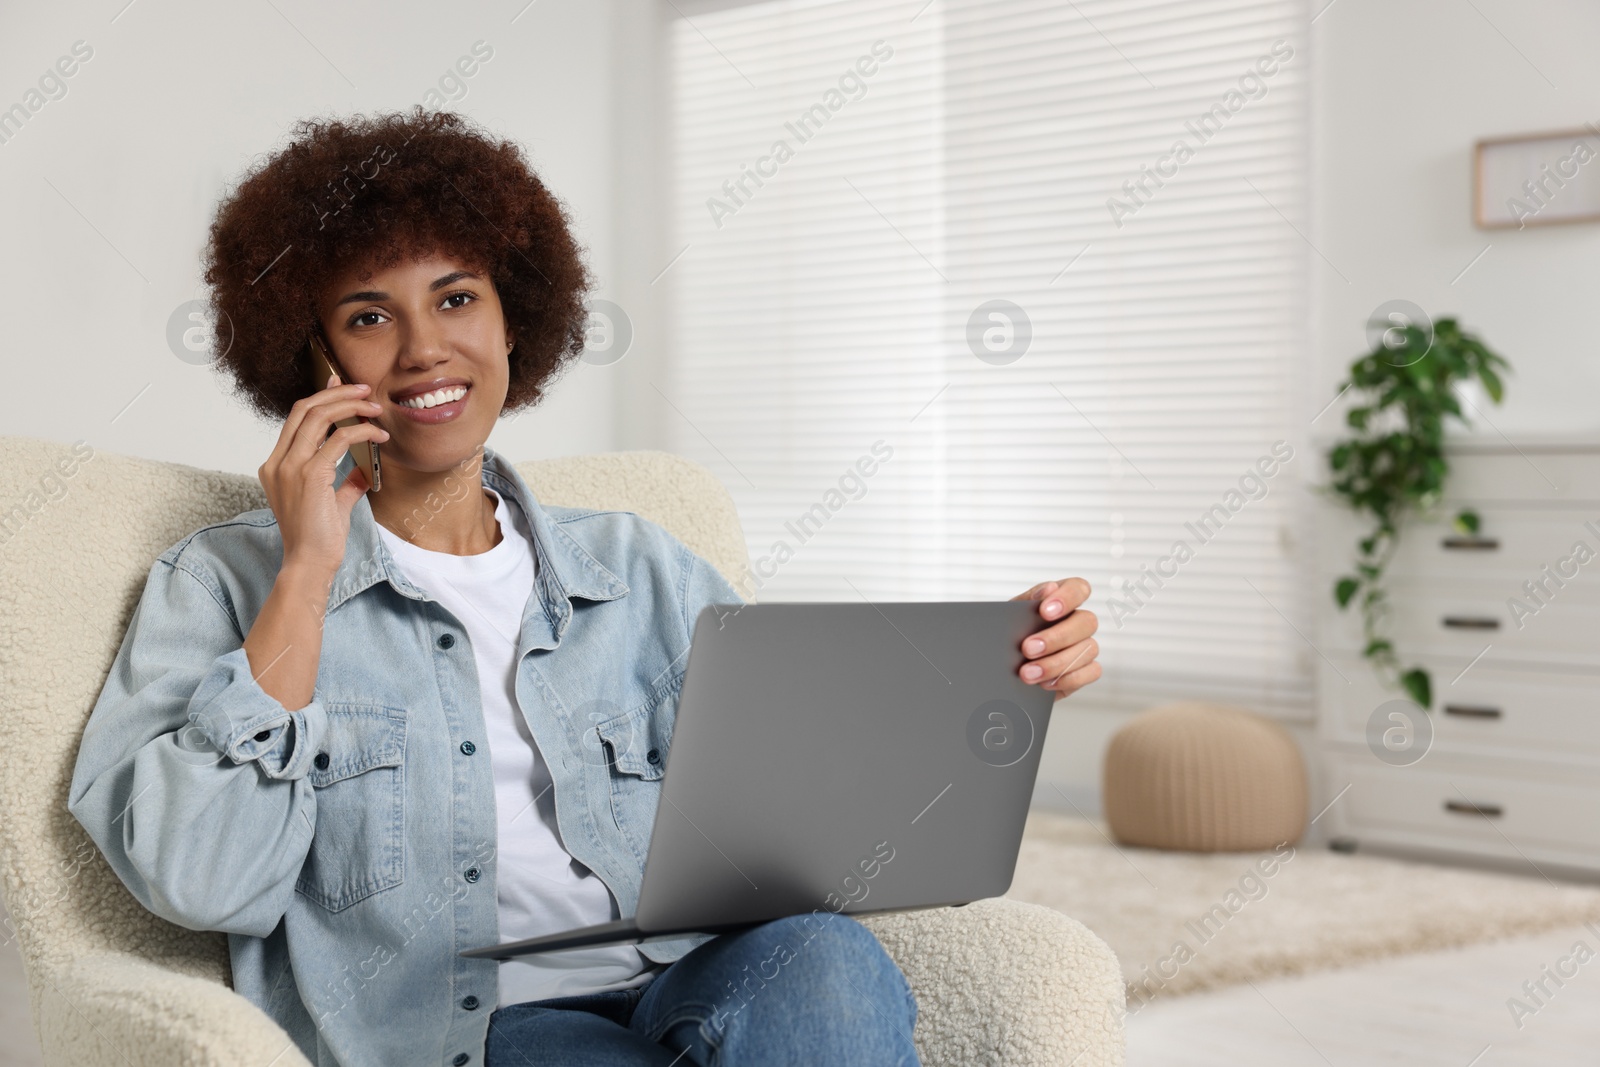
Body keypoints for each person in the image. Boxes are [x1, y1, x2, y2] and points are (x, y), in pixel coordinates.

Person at [66, 107, 1102, 1067]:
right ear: (314, 356)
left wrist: (991, 678)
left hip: (689, 970)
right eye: (371, 316)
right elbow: (199, 879)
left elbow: (815, 803)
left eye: (458, 297)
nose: (427, 346)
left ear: (516, 321)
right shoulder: (220, 584)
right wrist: (305, 573)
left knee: (827, 965)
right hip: (468, 1028)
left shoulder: (640, 567)